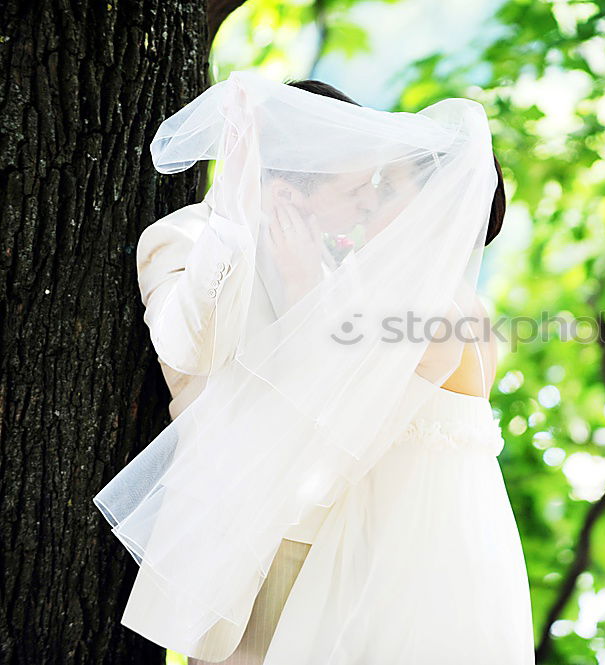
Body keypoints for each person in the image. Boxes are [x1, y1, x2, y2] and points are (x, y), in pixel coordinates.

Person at [95, 72, 535, 664]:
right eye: (359, 189)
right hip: (247, 549)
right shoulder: (190, 239)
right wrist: (235, 216)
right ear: (293, 182)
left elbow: (352, 399)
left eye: (379, 190)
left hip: (359, 564)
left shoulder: (408, 300)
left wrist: (307, 289)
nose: (364, 207)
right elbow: (186, 345)